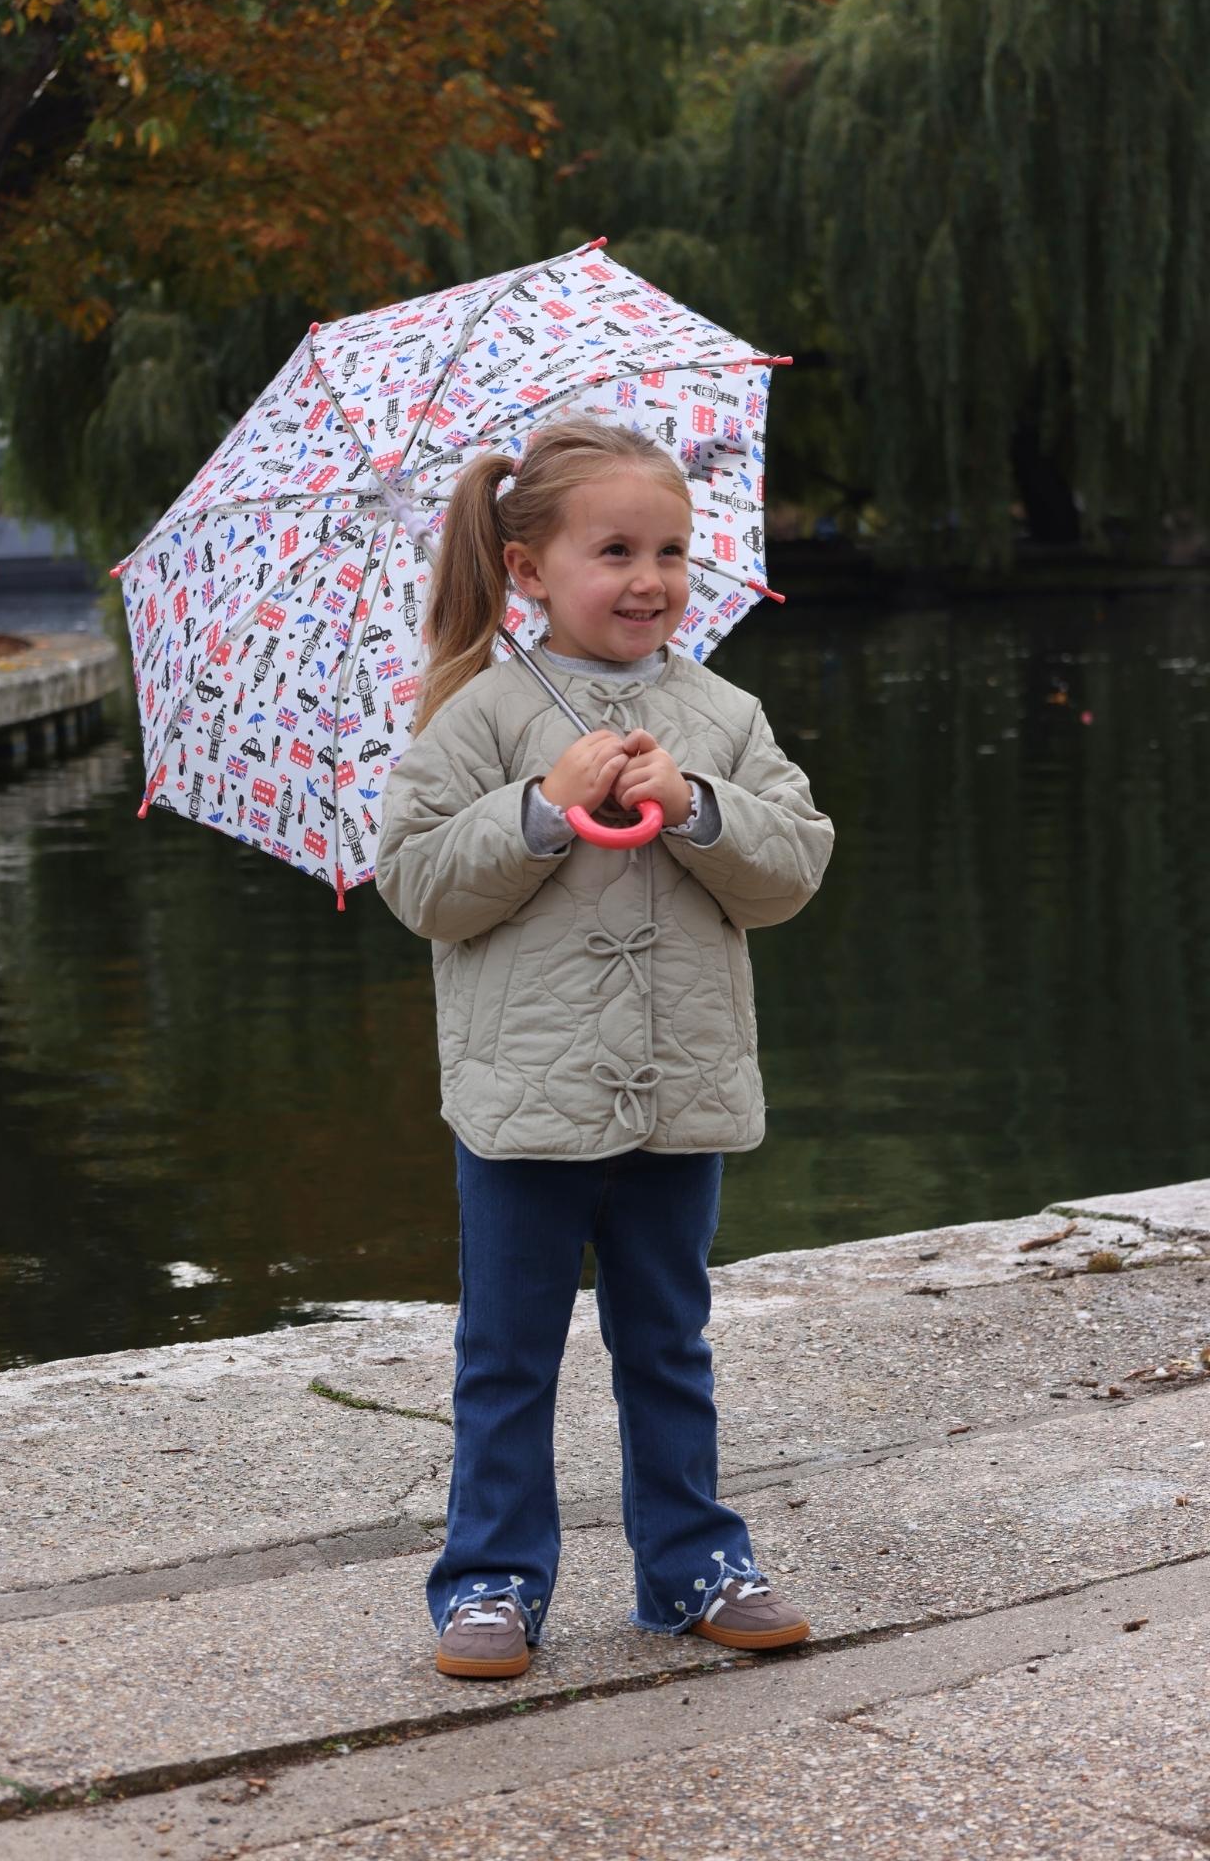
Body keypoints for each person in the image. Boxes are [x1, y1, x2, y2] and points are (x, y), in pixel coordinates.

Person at [375, 417, 834, 1680]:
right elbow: (419, 885)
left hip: (677, 1092)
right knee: (506, 1354)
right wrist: (541, 806)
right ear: (528, 570)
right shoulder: (477, 715)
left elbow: (792, 868)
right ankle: (489, 1578)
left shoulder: (721, 714)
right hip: (525, 1104)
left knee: (669, 1342)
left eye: (669, 551)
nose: (649, 579)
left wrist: (695, 807)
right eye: (615, 551)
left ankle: (692, 1564)